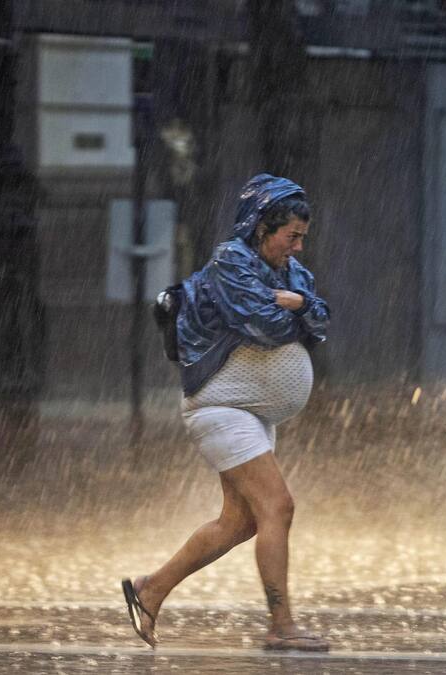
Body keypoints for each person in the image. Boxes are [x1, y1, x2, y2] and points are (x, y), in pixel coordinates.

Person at [121, 174, 331, 652]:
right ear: (261, 228)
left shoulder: (286, 272)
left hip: (251, 413)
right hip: (220, 406)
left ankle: (149, 590)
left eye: (302, 237)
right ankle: (281, 626)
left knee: (240, 522)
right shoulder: (230, 262)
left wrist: (298, 303)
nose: (297, 247)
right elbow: (265, 325)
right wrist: (297, 310)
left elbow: (320, 318)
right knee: (279, 506)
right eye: (291, 236)